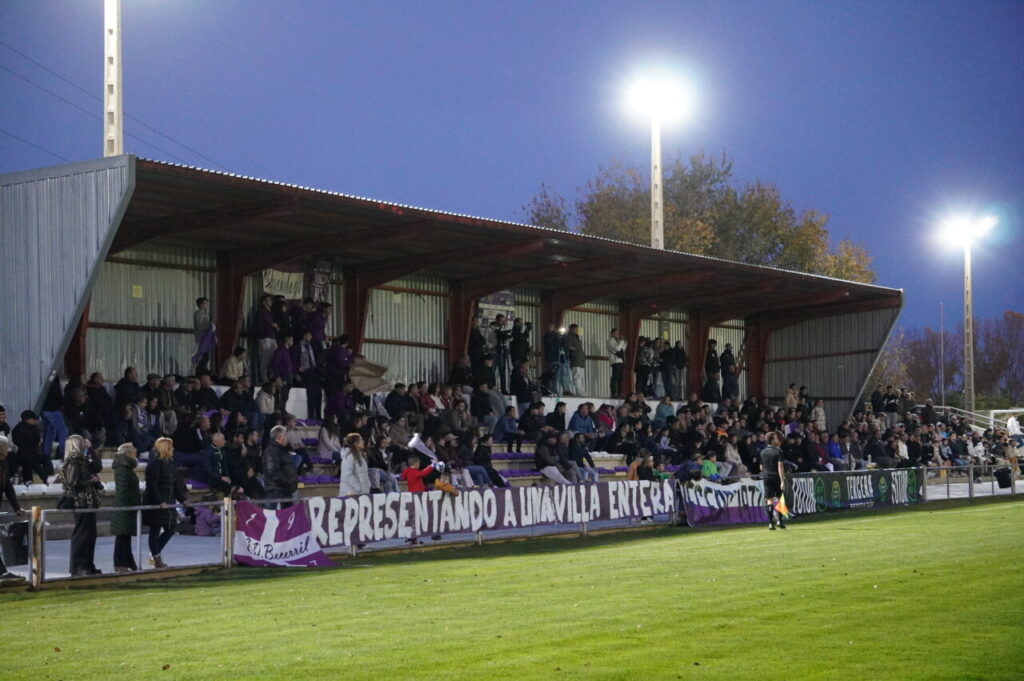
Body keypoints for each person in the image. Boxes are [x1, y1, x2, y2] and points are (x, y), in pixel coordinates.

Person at [61, 435, 103, 576]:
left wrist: (91, 450)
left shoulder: (83, 460)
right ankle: (78, 566)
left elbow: (98, 467)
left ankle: (88, 564)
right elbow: (72, 483)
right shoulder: (73, 461)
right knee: (82, 535)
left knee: (91, 534)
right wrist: (91, 480)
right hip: (80, 502)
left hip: (89, 502)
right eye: (82, 442)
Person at [143, 437, 187, 568]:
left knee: (170, 528)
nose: (173, 449)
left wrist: (183, 499)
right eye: (171, 447)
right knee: (155, 529)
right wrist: (160, 501)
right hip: (158, 502)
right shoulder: (154, 464)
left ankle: (154, 554)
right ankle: (156, 557)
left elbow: (175, 486)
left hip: (169, 502)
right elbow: (152, 485)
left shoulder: (170, 464)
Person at [111, 442, 141, 572]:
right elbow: (123, 490)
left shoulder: (125, 468)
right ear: (128, 453)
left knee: (125, 536)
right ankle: (120, 562)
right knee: (122, 536)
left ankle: (128, 561)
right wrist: (129, 505)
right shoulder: (123, 470)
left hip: (128, 506)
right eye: (133, 450)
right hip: (125, 507)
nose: (135, 451)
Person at [0, 435, 25, 580]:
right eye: (6, 447)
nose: (8, 450)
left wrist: (16, 507)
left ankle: (2, 572)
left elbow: (8, 487)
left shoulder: (4, 463)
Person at [13, 410, 52, 484]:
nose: (35, 421)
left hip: (33, 453)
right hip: (22, 455)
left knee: (46, 457)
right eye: (34, 419)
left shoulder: (34, 428)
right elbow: (20, 445)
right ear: (28, 420)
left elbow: (37, 441)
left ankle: (49, 475)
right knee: (29, 458)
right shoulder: (18, 429)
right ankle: (32, 479)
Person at [263, 425, 298, 506]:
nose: (287, 438)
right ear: (279, 437)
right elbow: (272, 473)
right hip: (276, 492)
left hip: (286, 491)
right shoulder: (271, 452)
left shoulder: (283, 450)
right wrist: (288, 481)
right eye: (285, 435)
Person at [760, 432, 787, 530]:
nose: (777, 440)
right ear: (772, 440)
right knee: (780, 498)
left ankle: (771, 523)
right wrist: (782, 480)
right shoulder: (778, 451)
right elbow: (780, 466)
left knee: (769, 500)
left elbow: (761, 467)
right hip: (776, 477)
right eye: (776, 438)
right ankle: (780, 520)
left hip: (766, 477)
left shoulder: (762, 452)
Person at [41, 378, 68, 460]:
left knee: (49, 433)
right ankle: (63, 452)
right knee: (63, 431)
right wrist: (64, 400)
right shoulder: (53, 377)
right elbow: (55, 392)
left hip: (45, 409)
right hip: (53, 409)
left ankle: (45, 455)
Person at [193, 296, 213, 374]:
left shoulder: (206, 314)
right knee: (203, 356)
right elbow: (199, 326)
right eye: (205, 303)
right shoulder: (199, 313)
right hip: (202, 337)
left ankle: (202, 369)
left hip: (206, 338)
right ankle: (200, 371)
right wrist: (209, 326)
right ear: (200, 305)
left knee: (206, 356)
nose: (207, 305)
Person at [565, 324, 585, 396]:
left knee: (580, 376)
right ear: (571, 329)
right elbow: (568, 346)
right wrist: (574, 351)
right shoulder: (569, 337)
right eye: (576, 329)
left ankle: (581, 391)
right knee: (576, 376)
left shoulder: (577, 338)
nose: (577, 330)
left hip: (580, 360)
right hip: (575, 360)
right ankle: (578, 392)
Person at [608, 328, 626, 398]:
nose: (617, 335)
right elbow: (617, 348)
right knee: (615, 377)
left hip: (620, 361)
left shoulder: (617, 341)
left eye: (618, 333)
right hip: (615, 361)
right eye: (616, 333)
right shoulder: (610, 340)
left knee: (620, 377)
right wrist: (621, 341)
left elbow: (623, 348)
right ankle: (614, 392)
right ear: (612, 333)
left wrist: (623, 341)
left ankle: (620, 392)